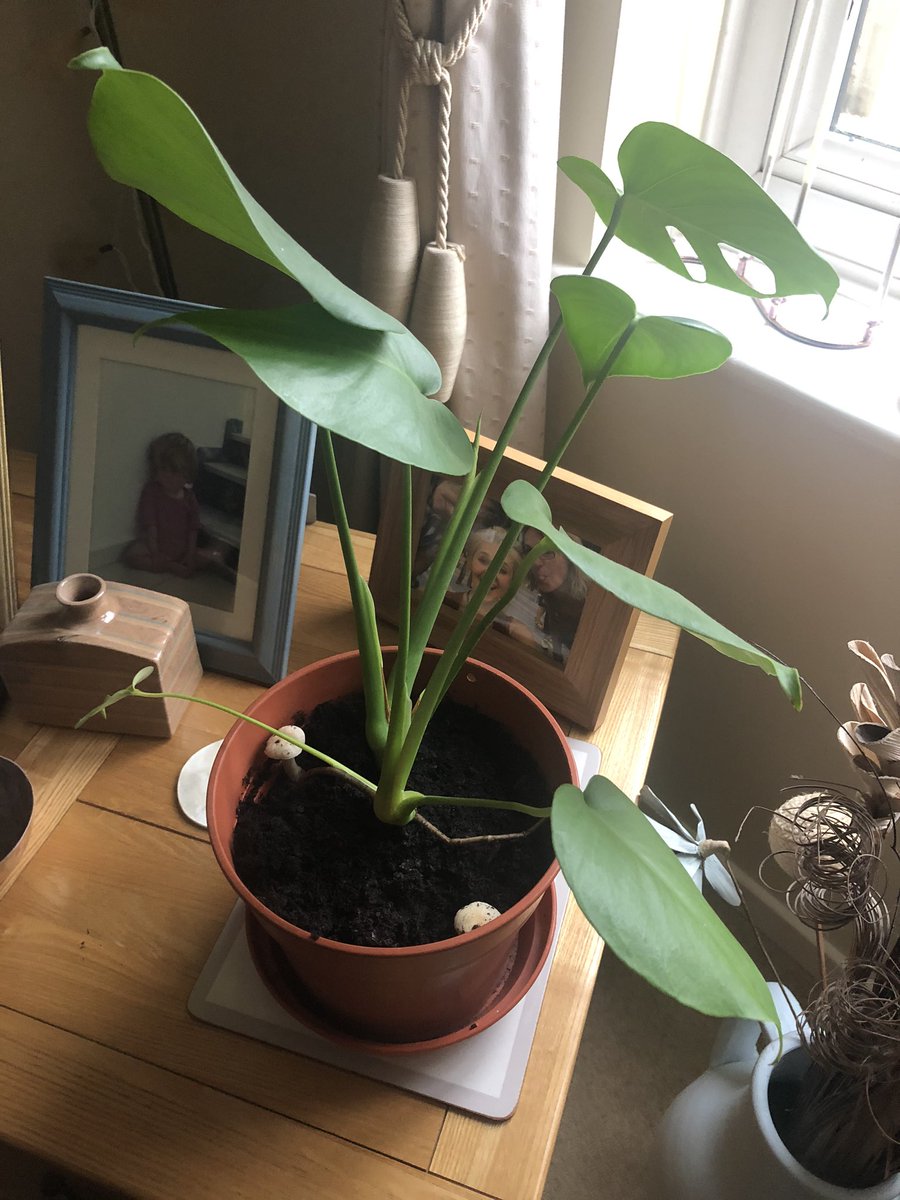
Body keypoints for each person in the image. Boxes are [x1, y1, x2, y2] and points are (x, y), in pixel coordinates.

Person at [124, 432, 223, 579]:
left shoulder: (189, 498)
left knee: (208, 555)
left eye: (175, 472)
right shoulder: (152, 491)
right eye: (164, 470)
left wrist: (189, 554)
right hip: (156, 546)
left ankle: (183, 565)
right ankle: (169, 566)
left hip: (182, 548)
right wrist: (156, 552)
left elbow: (193, 529)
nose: (168, 477)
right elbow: (150, 525)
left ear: (187, 474)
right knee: (131, 554)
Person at [503, 527, 589, 663]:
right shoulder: (552, 602)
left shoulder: (593, 606)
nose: (535, 562)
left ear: (570, 554)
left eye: (547, 552)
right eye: (529, 551)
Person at [444, 525, 522, 618]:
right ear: (470, 562)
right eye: (483, 561)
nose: (490, 574)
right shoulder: (442, 603)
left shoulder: (513, 630)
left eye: (502, 570)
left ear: (512, 579)